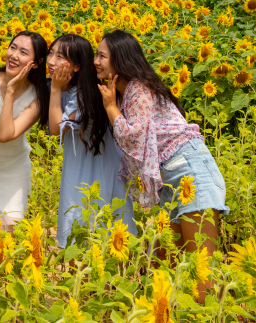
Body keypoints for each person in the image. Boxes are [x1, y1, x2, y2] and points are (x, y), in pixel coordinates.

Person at [95, 29, 229, 302]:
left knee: (200, 269)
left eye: (101, 55)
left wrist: (110, 107)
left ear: (120, 59)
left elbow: (133, 135)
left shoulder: (137, 90)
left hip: (191, 174)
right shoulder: (128, 92)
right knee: (165, 267)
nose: (95, 61)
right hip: (174, 180)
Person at [47, 34, 136, 249]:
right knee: (84, 235)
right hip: (85, 170)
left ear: (77, 66)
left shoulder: (84, 94)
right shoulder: (68, 89)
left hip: (94, 172)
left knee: (97, 233)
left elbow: (54, 128)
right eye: (51, 53)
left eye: (60, 56)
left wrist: (56, 89)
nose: (51, 61)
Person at [0, 31, 49, 232]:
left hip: (14, 173)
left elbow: (4, 135)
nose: (14, 55)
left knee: (8, 237)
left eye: (23, 52)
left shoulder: (38, 97)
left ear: (36, 62)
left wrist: (10, 91)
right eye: (13, 47)